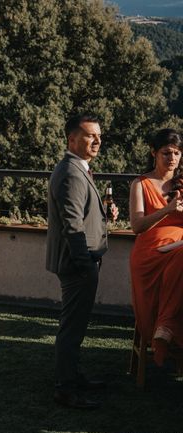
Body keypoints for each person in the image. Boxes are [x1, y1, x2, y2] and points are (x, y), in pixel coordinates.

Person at [46, 113, 117, 410]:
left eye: (99, 136)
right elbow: (72, 225)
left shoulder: (78, 168)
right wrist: (85, 263)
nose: (97, 141)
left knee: (75, 324)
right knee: (72, 328)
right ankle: (65, 388)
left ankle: (73, 375)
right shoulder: (72, 172)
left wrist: (103, 214)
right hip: (79, 263)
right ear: (71, 139)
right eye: (90, 135)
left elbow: (81, 214)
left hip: (82, 260)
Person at [129, 128, 183, 366]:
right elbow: (137, 226)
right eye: (166, 153)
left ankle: (166, 327)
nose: (172, 158)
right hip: (150, 253)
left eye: (177, 153)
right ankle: (167, 326)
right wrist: (167, 210)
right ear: (153, 153)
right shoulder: (140, 184)